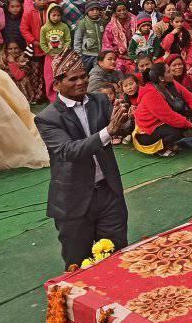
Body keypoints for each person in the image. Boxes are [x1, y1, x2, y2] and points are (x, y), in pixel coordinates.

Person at [34, 50, 129, 270]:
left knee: (117, 257)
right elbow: (69, 151)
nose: (81, 82)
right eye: (73, 78)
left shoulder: (100, 100)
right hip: (74, 202)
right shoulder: (47, 118)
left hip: (108, 193)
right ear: (57, 84)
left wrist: (125, 118)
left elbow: (121, 127)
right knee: (78, 265)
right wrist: (108, 131)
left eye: (83, 76)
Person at [132, 62, 192, 156]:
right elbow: (170, 117)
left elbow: (191, 98)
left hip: (163, 123)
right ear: (161, 78)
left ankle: (174, 141)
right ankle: (161, 148)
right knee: (176, 131)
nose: (172, 73)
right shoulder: (151, 94)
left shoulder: (171, 83)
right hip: (146, 133)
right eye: (169, 71)